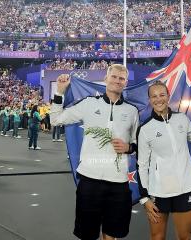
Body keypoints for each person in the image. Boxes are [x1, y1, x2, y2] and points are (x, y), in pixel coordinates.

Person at [50, 64, 139, 240]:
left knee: (111, 234)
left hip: (119, 182)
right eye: (113, 77)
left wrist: (129, 148)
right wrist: (60, 92)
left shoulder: (132, 111)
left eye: (121, 78)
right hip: (90, 181)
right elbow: (55, 119)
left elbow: (137, 144)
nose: (117, 81)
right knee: (87, 234)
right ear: (106, 79)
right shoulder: (89, 104)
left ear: (125, 83)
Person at [137, 81, 191, 240]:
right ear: (149, 100)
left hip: (184, 189)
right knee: (157, 237)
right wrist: (144, 197)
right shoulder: (145, 129)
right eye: (154, 96)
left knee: (185, 237)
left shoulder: (182, 119)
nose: (158, 99)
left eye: (162, 95)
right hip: (158, 193)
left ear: (168, 96)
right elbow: (142, 165)